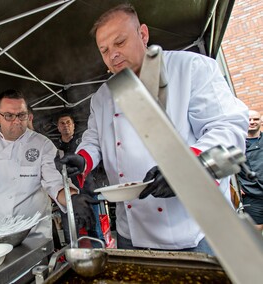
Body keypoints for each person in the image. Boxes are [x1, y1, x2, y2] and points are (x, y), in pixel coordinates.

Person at [56, 4, 248, 254]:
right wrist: (83, 160)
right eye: (104, 50)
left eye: (120, 42)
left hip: (195, 231)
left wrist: (187, 167)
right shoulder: (103, 96)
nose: (112, 54)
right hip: (131, 233)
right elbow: (94, 139)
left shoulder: (190, 68)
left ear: (143, 34)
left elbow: (228, 128)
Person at [0, 89, 97, 239]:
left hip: (33, 235)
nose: (17, 121)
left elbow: (55, 183)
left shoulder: (42, 144)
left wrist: (73, 198)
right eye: (9, 116)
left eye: (21, 115)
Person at [54, 113, 105, 246]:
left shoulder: (84, 143)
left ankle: (101, 257)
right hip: (67, 196)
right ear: (58, 127)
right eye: (62, 123)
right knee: (70, 234)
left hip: (87, 192)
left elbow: (95, 161)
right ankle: (72, 261)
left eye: (68, 123)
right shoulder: (55, 148)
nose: (66, 126)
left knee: (94, 231)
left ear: (74, 126)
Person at [237, 110, 263, 231]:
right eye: (249, 119)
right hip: (251, 194)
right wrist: (237, 185)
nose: (252, 122)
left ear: (261, 121)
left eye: (256, 119)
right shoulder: (237, 144)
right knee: (255, 233)